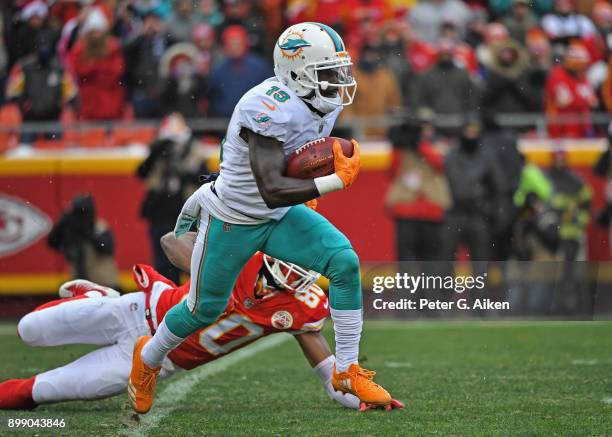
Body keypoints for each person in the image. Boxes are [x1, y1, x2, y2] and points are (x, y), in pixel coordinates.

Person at [128, 22, 392, 415]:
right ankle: (147, 360)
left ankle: (347, 369)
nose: (339, 81)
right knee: (205, 309)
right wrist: (335, 181)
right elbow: (271, 186)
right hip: (235, 217)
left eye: (340, 70)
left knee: (344, 262)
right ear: (297, 73)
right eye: (328, 73)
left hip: (281, 213)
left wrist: (312, 188)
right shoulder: (265, 107)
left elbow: (292, 171)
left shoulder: (326, 101)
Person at [0, 235, 402, 412]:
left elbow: (328, 372)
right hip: (140, 311)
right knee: (28, 331)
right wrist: (209, 262)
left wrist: (360, 395)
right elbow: (169, 241)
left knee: (45, 392)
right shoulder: (243, 249)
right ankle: (97, 297)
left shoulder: (303, 306)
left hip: (154, 361)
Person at [136, 113, 207, 284]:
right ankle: (167, 295)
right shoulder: (158, 151)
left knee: (191, 258)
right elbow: (141, 173)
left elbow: (203, 177)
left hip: (187, 211)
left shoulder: (194, 150)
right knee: (163, 262)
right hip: (161, 210)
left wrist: (182, 171)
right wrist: (156, 152)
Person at [47, 194, 119, 289]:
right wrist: (62, 223)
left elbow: (107, 248)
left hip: (104, 285)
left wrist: (87, 233)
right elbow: (52, 243)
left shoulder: (100, 227)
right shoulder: (70, 230)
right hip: (79, 286)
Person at [69, 7, 126, 120]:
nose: (96, 36)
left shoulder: (113, 47)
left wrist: (93, 66)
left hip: (111, 102)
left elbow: (116, 71)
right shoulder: (79, 49)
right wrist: (98, 68)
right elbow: (78, 70)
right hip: (89, 103)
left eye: (98, 31)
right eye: (93, 32)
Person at [207, 25, 272, 118]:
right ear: (225, 45)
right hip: (224, 121)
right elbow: (212, 96)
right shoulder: (218, 69)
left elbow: (268, 93)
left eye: (238, 43)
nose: (235, 47)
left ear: (244, 43)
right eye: (231, 43)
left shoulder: (259, 66)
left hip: (254, 119)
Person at [544, 41, 598, 138]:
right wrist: (582, 100)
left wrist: (580, 99)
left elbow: (593, 102)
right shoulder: (557, 75)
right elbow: (564, 101)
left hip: (583, 131)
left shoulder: (583, 77)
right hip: (561, 131)